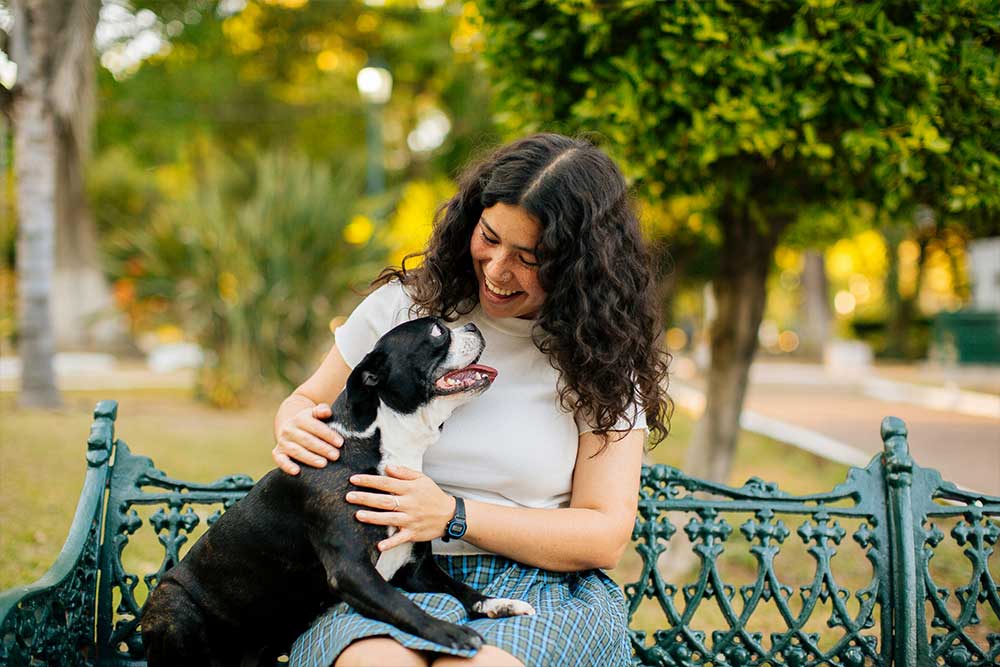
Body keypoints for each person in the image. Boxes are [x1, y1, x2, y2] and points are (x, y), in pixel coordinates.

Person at [271, 133, 671, 667]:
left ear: (581, 265)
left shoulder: (600, 358)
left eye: (531, 258)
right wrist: (295, 424)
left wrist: (452, 516)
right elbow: (305, 402)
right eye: (489, 237)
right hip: (386, 573)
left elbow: (604, 533)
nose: (498, 270)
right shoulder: (402, 309)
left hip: (540, 587)